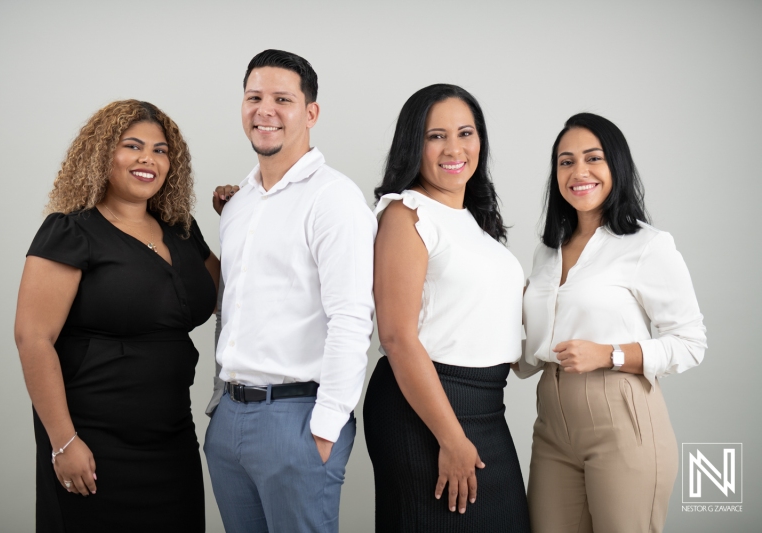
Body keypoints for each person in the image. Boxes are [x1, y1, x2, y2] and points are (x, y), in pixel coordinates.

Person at [14, 100, 218, 532]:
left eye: (161, 150)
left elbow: (229, 291)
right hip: (92, 439)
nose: (149, 158)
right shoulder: (71, 230)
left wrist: (246, 211)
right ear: (103, 154)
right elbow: (33, 338)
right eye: (133, 146)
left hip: (172, 434)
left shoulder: (182, 230)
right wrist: (63, 442)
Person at [203, 49, 376, 533]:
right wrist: (219, 408)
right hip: (230, 419)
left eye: (283, 99)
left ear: (310, 113)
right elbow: (233, 308)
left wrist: (326, 426)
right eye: (254, 97)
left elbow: (351, 317)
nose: (265, 110)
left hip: (298, 419)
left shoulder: (334, 199)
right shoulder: (239, 204)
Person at [516, 112, 707, 532]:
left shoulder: (647, 245)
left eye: (592, 158)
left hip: (622, 420)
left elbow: (691, 342)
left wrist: (610, 354)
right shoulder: (547, 253)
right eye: (565, 162)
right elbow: (529, 354)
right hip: (551, 426)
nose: (578, 172)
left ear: (615, 166)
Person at [363, 84, 531, 532]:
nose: (454, 148)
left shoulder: (474, 223)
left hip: (486, 405)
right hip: (427, 408)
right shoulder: (405, 214)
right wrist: (451, 437)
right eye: (436, 136)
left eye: (465, 132)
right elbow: (397, 337)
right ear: (412, 144)